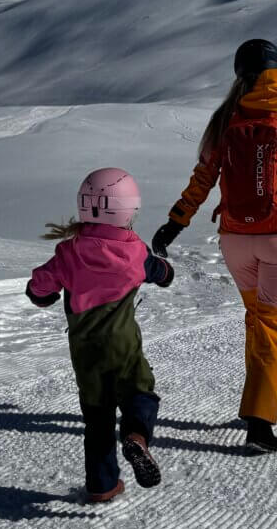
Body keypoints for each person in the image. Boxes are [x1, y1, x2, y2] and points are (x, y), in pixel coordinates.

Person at [152, 40, 277, 453]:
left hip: (236, 240)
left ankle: (264, 398)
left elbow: (203, 177)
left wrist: (175, 222)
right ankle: (259, 421)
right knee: (273, 324)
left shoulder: (225, 119)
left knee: (257, 318)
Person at [27, 167, 174, 503]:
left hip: (85, 353)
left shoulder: (69, 252)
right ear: (130, 209)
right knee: (140, 392)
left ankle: (102, 486)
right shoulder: (135, 252)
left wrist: (42, 295)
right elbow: (162, 272)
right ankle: (137, 436)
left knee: (97, 418)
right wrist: (165, 272)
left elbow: (39, 288)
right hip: (123, 347)